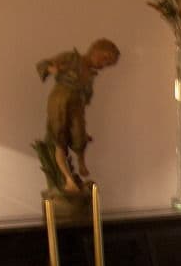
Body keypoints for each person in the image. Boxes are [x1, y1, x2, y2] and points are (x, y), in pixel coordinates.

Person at [36, 39, 120, 192]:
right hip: (60, 101)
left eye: (107, 65)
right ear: (96, 52)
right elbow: (43, 64)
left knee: (79, 135)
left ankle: (81, 162)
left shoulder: (90, 75)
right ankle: (68, 179)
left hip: (76, 106)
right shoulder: (70, 58)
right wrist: (51, 69)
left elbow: (85, 97)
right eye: (104, 61)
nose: (103, 66)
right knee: (59, 138)